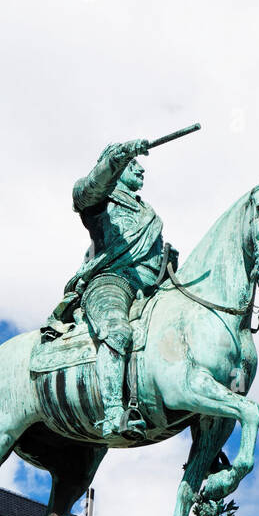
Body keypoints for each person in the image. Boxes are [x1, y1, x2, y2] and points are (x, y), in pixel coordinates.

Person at [62, 140, 177, 435]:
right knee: (117, 329)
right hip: (111, 280)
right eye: (133, 164)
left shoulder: (147, 212)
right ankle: (113, 413)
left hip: (151, 288)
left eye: (140, 165)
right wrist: (117, 157)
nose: (140, 169)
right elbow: (91, 186)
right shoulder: (98, 198)